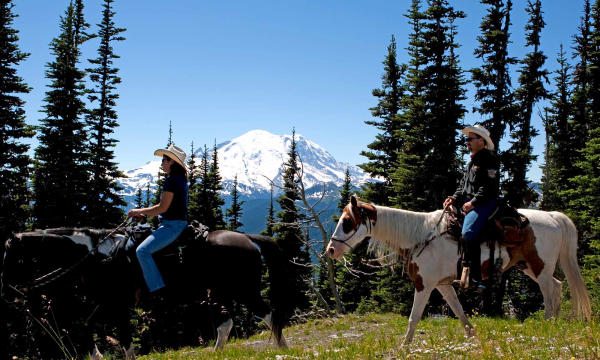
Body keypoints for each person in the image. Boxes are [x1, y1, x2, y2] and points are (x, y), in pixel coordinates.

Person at [443, 124, 499, 289]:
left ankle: (475, 278)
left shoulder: (490, 159)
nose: (466, 142)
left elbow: (488, 187)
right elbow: (463, 185)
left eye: (470, 139)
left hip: (484, 203)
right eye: (466, 139)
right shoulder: (472, 162)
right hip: (470, 202)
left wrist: (473, 203)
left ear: (481, 141)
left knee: (468, 232)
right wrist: (453, 198)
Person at [128, 145, 189, 293]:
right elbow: (167, 205)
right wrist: (145, 213)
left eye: (164, 160)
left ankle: (157, 291)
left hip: (171, 226)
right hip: (178, 223)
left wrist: (138, 211)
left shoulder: (171, 180)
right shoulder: (179, 179)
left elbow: (162, 208)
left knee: (142, 251)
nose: (161, 163)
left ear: (172, 162)